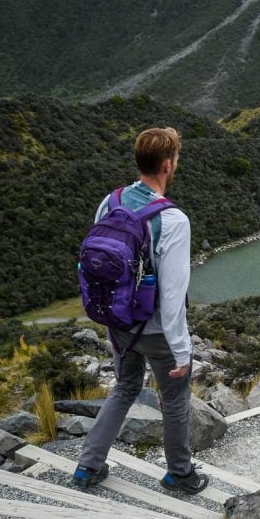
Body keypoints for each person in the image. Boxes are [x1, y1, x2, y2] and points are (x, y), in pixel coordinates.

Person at [72, 126, 209, 494]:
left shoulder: (110, 201)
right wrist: (182, 350)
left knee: (125, 387)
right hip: (157, 333)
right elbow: (174, 292)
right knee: (175, 400)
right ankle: (180, 474)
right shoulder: (173, 220)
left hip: (118, 322)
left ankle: (87, 467)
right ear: (168, 164)